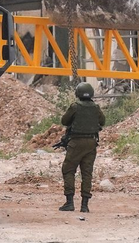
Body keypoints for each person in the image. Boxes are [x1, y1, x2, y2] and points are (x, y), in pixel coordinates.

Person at [58, 82, 106, 213]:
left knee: (68, 170)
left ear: (78, 93)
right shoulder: (96, 107)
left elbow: (64, 121)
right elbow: (102, 121)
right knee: (86, 173)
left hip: (76, 142)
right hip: (91, 143)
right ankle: (84, 205)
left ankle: (69, 203)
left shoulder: (75, 106)